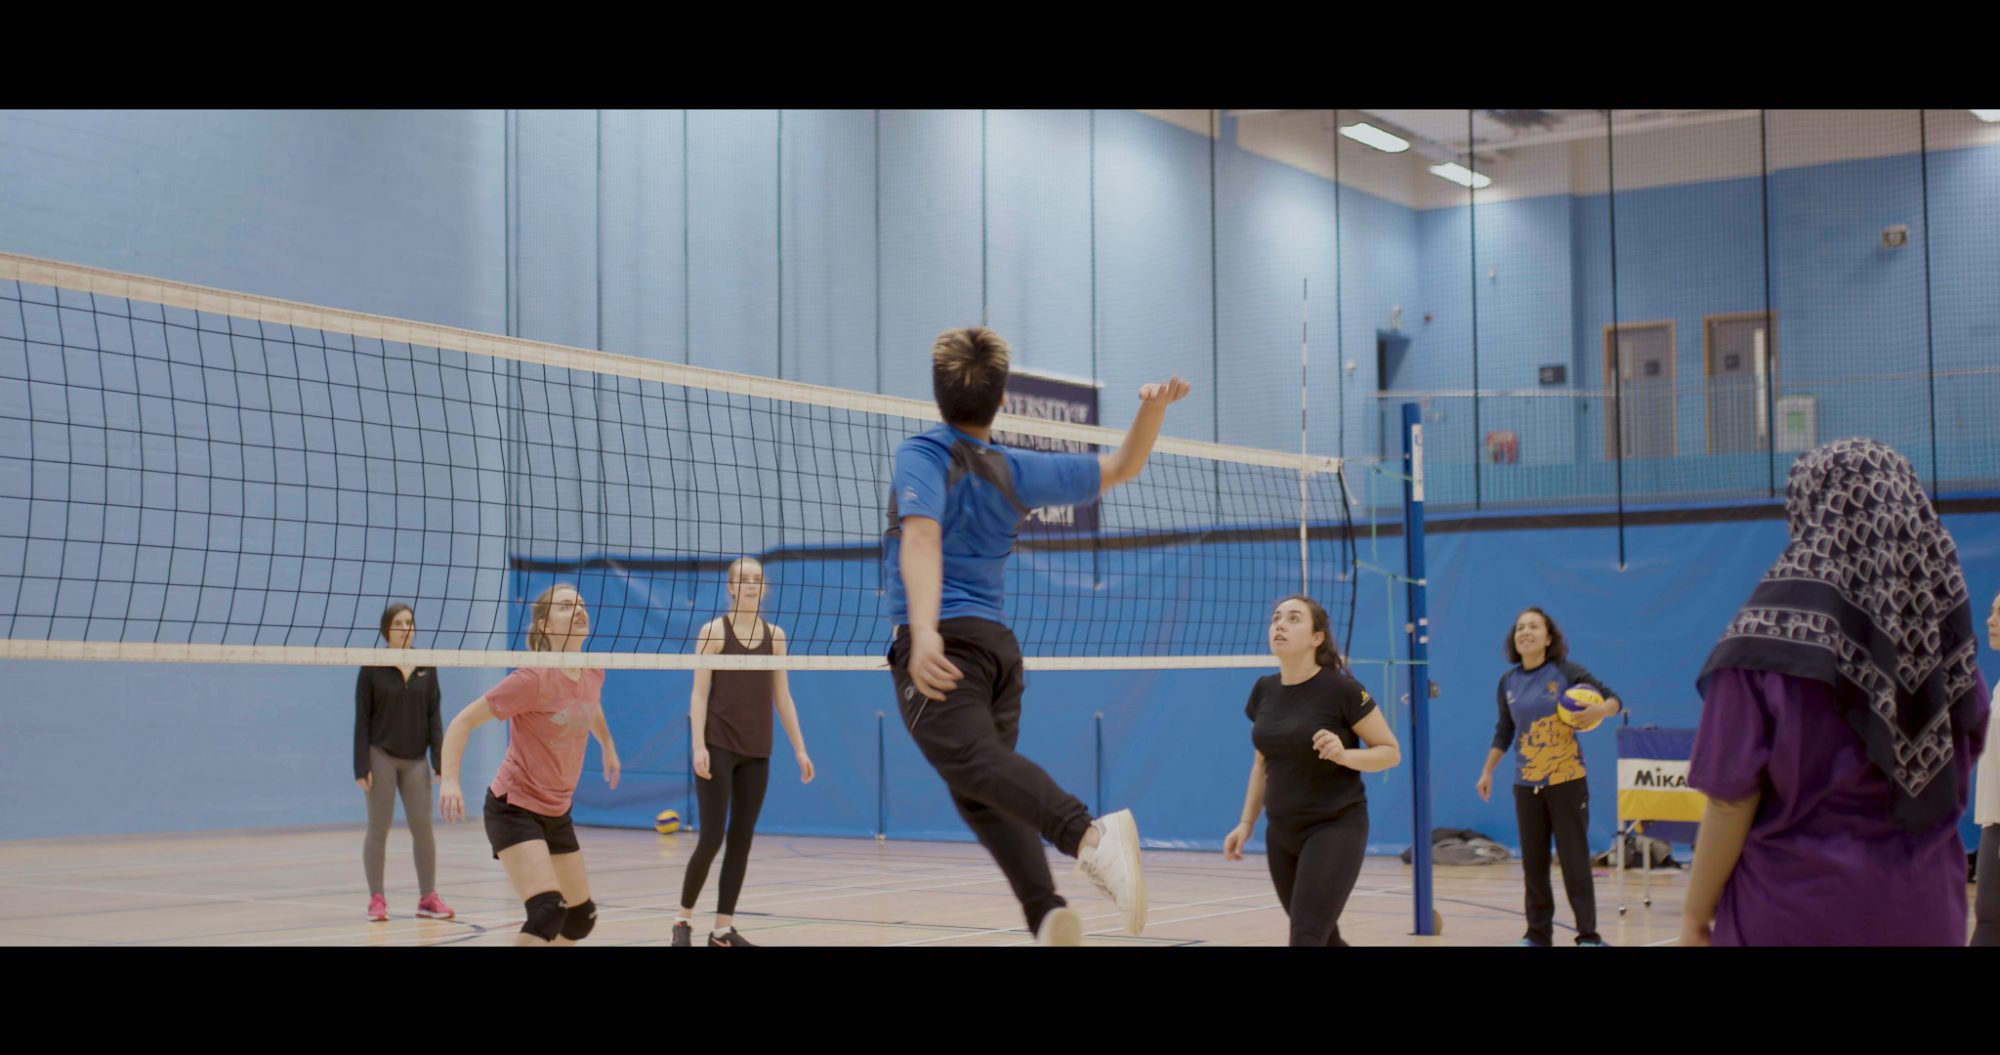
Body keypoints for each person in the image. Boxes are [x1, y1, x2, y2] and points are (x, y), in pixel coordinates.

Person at [884, 326, 1188, 945]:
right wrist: (1151, 410)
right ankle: (1046, 912)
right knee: (981, 787)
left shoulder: (922, 454)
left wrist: (923, 631)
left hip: (945, 646)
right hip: (998, 654)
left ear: (936, 394)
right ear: (1002, 401)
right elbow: (1124, 466)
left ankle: (1090, 836)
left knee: (974, 765)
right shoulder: (1018, 468)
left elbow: (921, 537)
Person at [1680, 438, 1989, 947]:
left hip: (1790, 911)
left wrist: (1696, 915)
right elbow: (1965, 747)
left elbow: (1730, 801)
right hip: (1927, 909)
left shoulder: (1761, 642)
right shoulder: (1944, 648)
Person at [438, 584, 622, 946]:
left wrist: (608, 745)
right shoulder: (531, 679)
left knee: (580, 919)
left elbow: (590, 704)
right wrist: (450, 781)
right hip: (514, 808)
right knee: (548, 911)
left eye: (581, 604)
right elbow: (462, 722)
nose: (579, 609)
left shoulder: (592, 670)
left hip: (557, 810)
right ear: (544, 626)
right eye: (566, 606)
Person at [1222, 595, 1400, 946]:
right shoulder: (1263, 690)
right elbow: (1261, 763)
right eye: (1276, 618)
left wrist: (1344, 755)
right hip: (1281, 832)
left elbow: (1390, 753)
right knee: (1325, 939)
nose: (1280, 625)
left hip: (1334, 826)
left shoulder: (1342, 690)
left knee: (1306, 937)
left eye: (1293, 618)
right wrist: (1246, 822)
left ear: (1317, 637)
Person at [673, 557, 815, 948]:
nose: (751, 585)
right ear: (731, 587)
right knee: (711, 837)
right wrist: (698, 745)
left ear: (764, 588)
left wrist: (800, 749)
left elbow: (782, 697)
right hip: (718, 745)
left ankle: (722, 929)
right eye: (744, 580)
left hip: (757, 750)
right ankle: (682, 921)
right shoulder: (713, 632)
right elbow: (699, 694)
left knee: (742, 839)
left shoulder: (776, 636)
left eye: (757, 580)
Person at [1475, 606, 1622, 947]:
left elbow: (1613, 699)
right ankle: (1537, 934)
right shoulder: (1507, 682)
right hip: (1527, 786)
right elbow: (1505, 730)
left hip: (1567, 781)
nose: (1525, 632)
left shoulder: (1566, 672)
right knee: (1534, 864)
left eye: (1533, 626)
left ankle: (1588, 936)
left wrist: (1600, 710)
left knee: (1574, 862)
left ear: (1548, 637)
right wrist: (1487, 771)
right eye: (1520, 628)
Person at [354, 602, 452, 922]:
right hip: (380, 754)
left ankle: (428, 898)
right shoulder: (372, 665)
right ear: (387, 630)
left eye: (410, 622)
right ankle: (377, 898)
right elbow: (362, 719)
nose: (406, 628)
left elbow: (434, 716)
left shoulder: (427, 665)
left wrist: (440, 760)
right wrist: (360, 765)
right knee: (378, 828)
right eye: (399, 623)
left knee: (422, 827)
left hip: (416, 759)